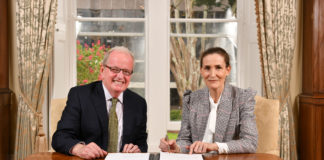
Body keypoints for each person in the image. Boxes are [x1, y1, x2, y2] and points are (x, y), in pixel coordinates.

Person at [52, 46, 148, 159]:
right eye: (115, 69)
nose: (121, 76)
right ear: (102, 70)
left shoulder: (139, 104)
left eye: (126, 71)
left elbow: (142, 144)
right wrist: (80, 149)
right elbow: (60, 137)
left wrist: (137, 150)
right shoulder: (80, 95)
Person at [159, 47, 258, 154]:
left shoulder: (243, 98)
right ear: (201, 70)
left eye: (218, 68)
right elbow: (184, 139)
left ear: (227, 70)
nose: (212, 74)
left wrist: (213, 146)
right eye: (207, 68)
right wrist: (176, 148)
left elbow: (250, 143)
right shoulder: (191, 99)